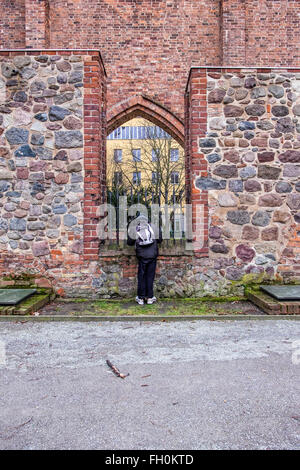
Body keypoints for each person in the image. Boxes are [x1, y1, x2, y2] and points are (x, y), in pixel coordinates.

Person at [127, 214, 162, 305]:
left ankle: (141, 298)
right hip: (152, 255)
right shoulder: (153, 227)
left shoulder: (135, 228)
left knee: (141, 276)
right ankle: (150, 297)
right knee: (150, 276)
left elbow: (129, 243)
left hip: (141, 256)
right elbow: (160, 240)